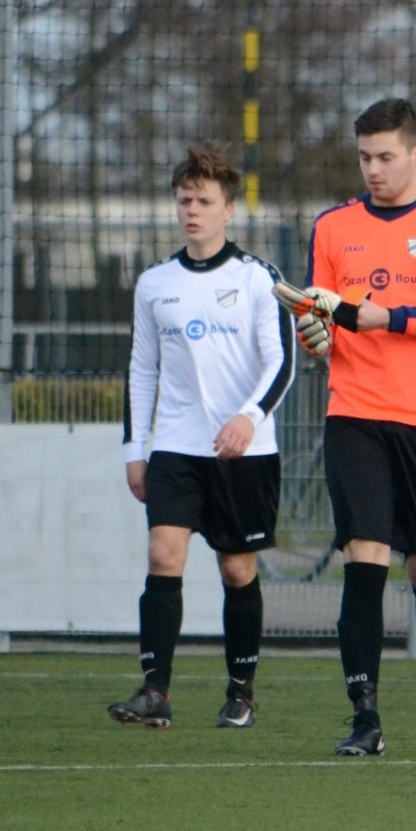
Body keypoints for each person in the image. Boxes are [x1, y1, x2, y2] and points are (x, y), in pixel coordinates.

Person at [298, 98, 416, 755]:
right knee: (364, 560)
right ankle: (364, 715)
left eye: (386, 156)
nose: (373, 169)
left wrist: (385, 317)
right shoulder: (331, 227)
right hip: (355, 413)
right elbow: (318, 318)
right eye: (364, 157)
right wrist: (315, 336)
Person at [111, 142, 295, 729]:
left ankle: (241, 692)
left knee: (236, 570)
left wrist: (249, 417)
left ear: (228, 209)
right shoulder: (154, 284)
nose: (193, 209)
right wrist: (135, 449)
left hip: (244, 451)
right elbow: (142, 369)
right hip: (176, 447)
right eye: (185, 199)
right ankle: (154, 694)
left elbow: (283, 362)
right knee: (163, 553)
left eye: (205, 200)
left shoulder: (259, 278)